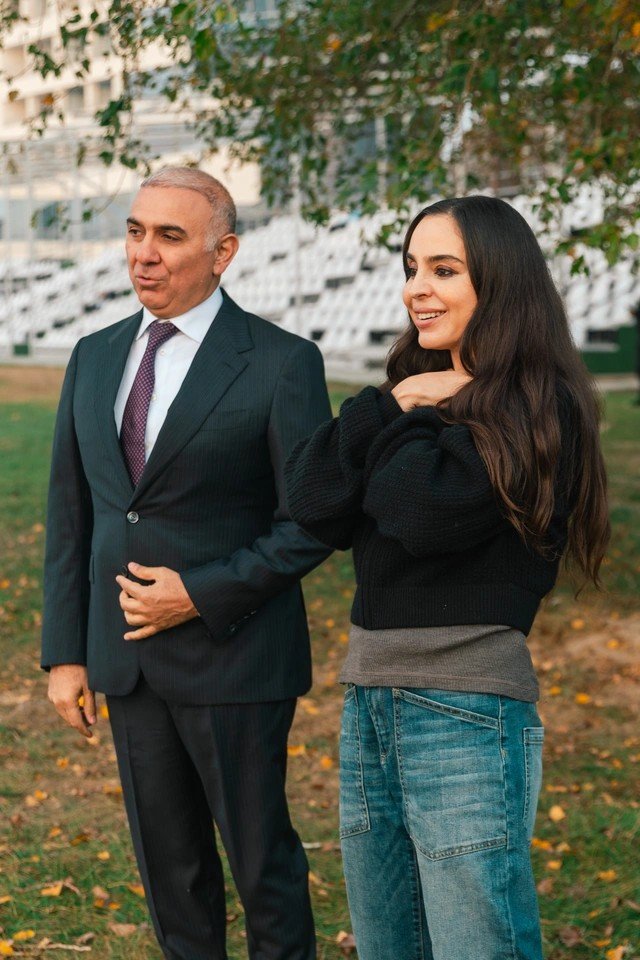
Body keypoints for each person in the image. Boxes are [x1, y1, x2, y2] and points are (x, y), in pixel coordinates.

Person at [285, 196, 610, 960]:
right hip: (370, 699)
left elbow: (418, 511)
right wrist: (396, 400)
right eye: (411, 268)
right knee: (388, 944)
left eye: (443, 269)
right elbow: (311, 499)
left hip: (466, 709)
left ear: (499, 282)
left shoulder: (539, 406)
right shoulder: (411, 391)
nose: (416, 289)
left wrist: (415, 416)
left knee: (476, 946)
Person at [41, 166, 332, 960]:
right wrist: (66, 653)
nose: (145, 253)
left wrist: (199, 595)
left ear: (223, 252)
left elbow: (312, 523)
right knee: (173, 882)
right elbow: (72, 517)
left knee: (263, 872)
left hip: (238, 661)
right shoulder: (93, 356)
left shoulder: (282, 363)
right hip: (127, 665)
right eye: (136, 231)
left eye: (170, 236)